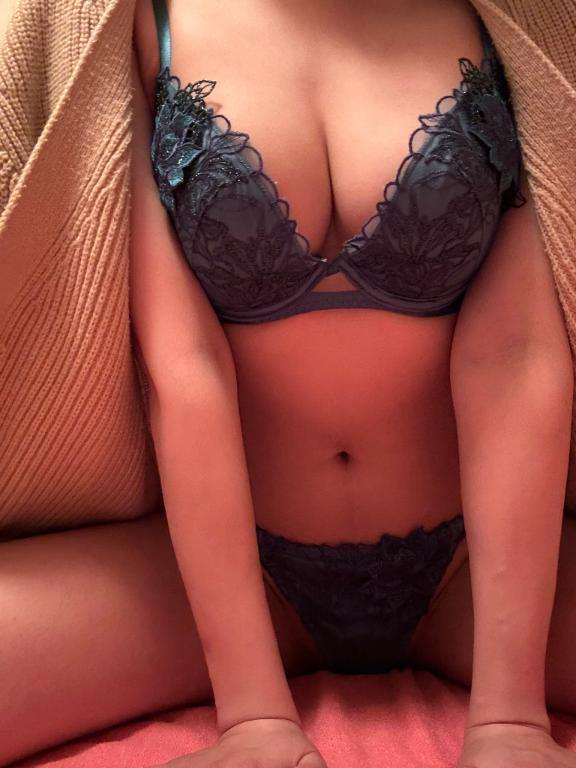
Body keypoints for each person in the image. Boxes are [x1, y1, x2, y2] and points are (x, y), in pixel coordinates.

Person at [2, 0, 576, 766]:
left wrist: (511, 721)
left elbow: (515, 356)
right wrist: (253, 715)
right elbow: (183, 367)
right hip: (227, 580)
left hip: (477, 576)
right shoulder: (136, 23)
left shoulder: (519, 21)